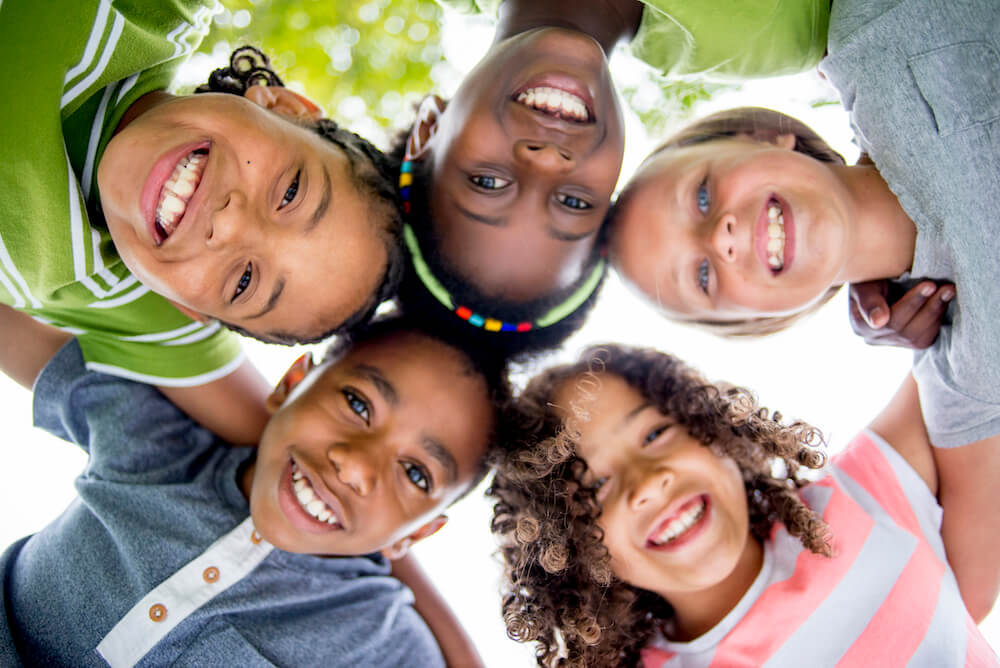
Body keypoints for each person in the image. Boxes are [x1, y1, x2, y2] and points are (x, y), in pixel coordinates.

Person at [0, 305, 508, 667]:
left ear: (414, 537)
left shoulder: (386, 648)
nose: (354, 466)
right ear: (290, 385)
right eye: (357, 404)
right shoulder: (158, 439)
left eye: (416, 473)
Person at [0, 1, 402, 444]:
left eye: (245, 281)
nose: (228, 226)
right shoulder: (148, 13)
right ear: (284, 107)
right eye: (290, 192)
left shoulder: (114, 291)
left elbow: (277, 442)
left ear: (191, 310)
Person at [489, 345, 999, 667]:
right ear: (569, 552)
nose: (646, 483)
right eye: (593, 488)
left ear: (714, 430)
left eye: (656, 433)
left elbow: (968, 338)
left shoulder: (862, 494)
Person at [393, 0, 831, 356]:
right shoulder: (779, 32)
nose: (546, 160)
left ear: (429, 130)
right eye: (574, 202)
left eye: (487, 182)